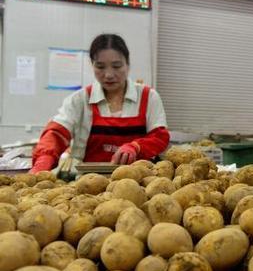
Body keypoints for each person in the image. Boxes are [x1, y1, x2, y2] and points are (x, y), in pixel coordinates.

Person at [30, 34, 170, 173]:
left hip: (138, 181)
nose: (108, 74)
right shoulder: (80, 99)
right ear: (92, 65)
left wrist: (136, 147)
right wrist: (43, 160)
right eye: (100, 67)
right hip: (87, 182)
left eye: (116, 66)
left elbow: (160, 136)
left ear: (128, 65)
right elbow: (56, 133)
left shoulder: (148, 97)